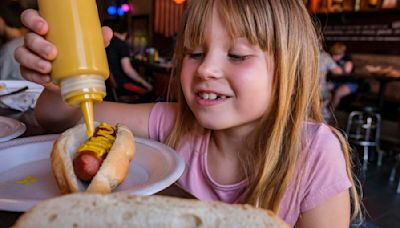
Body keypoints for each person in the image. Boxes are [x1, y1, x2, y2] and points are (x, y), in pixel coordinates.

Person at [15, 1, 361, 227]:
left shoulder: (316, 152)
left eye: (237, 55)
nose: (205, 69)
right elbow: (60, 119)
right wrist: (60, 82)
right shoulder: (171, 121)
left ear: (291, 69)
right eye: (194, 52)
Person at [104, 19, 153, 98]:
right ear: (126, 32)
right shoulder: (121, 45)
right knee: (150, 91)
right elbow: (128, 70)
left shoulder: (106, 43)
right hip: (122, 85)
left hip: (110, 88)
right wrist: (146, 83)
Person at [329, 42, 358, 109]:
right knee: (325, 88)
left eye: (336, 55)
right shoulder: (333, 60)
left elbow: (346, 72)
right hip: (337, 82)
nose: (333, 56)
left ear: (342, 54)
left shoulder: (347, 60)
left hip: (350, 83)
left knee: (338, 93)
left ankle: (331, 112)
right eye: (333, 54)